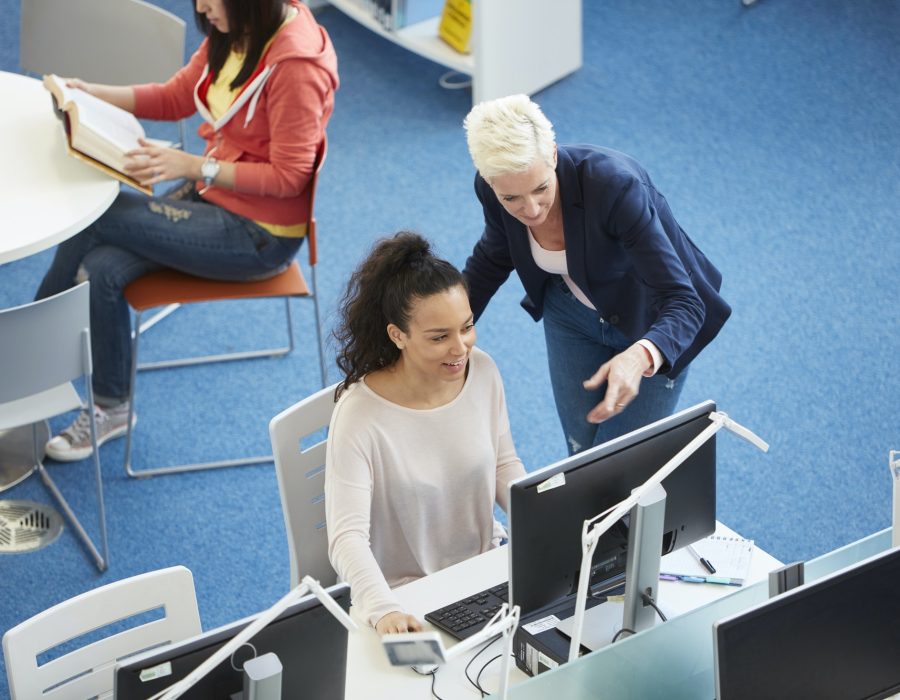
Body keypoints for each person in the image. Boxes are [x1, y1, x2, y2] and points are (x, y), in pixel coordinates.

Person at [36, 0, 339, 461]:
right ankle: (110, 405)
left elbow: (290, 177)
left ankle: (27, 363)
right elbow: (176, 95)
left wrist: (197, 166)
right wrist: (87, 94)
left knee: (97, 214)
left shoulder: (296, 68)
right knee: (102, 267)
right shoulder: (237, 28)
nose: (201, 7)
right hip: (212, 195)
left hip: (258, 234)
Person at [462, 94, 731, 456]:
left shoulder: (614, 186)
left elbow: (684, 302)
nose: (531, 209)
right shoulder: (491, 189)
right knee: (581, 453)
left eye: (541, 188)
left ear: (553, 155)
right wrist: (446, 329)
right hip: (569, 317)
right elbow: (493, 258)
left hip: (649, 320)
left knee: (622, 466)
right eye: (512, 199)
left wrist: (639, 356)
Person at [325, 232, 526, 634]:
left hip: (485, 576)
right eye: (439, 337)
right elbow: (346, 537)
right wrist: (384, 610)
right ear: (397, 335)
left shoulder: (482, 371)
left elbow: (504, 465)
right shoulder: (359, 415)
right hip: (406, 598)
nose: (460, 348)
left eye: (466, 327)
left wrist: (546, 521)